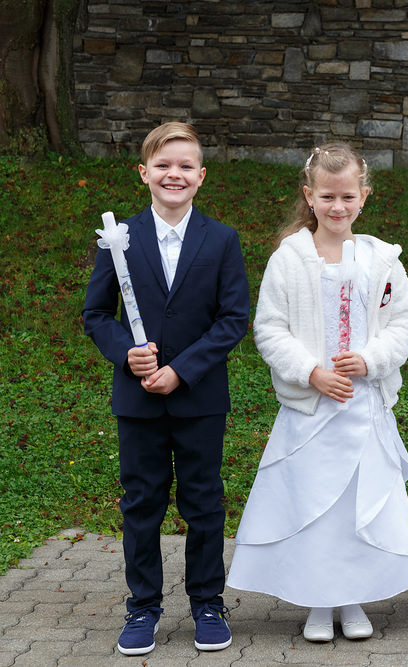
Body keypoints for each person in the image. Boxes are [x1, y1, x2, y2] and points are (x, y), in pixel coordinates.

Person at [227, 143, 408, 642]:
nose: (338, 207)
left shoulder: (382, 260)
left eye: (347, 197)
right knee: (315, 505)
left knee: (355, 507)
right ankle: (318, 600)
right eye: (328, 197)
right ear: (309, 196)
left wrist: (372, 359)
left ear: (364, 197)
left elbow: (405, 323)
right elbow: (270, 328)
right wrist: (311, 372)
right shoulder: (289, 259)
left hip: (364, 406)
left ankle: (353, 597)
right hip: (312, 410)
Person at [82, 122, 250, 655]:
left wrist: (182, 370)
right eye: (162, 165)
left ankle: (207, 602)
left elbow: (232, 318)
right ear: (144, 173)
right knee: (141, 503)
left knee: (203, 503)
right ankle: (143, 607)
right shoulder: (119, 238)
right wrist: (124, 353)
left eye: (184, 166)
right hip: (138, 400)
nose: (173, 174)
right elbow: (96, 313)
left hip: (200, 398)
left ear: (201, 176)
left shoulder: (221, 239)